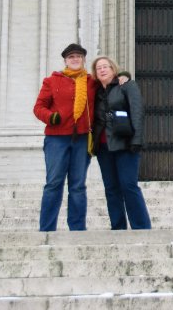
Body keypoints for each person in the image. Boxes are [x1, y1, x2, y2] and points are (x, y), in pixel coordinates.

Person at [33, 43, 97, 231]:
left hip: (82, 139)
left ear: (84, 60)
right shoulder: (51, 81)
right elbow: (38, 107)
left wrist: (123, 78)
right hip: (56, 139)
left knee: (77, 186)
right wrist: (50, 117)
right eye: (71, 57)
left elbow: (108, 83)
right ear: (65, 61)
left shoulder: (91, 82)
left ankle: (77, 230)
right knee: (54, 183)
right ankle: (47, 229)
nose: (75, 59)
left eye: (78, 56)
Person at [91, 57, 151, 230]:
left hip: (125, 144)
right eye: (98, 68)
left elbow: (137, 111)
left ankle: (141, 227)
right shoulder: (95, 91)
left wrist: (137, 140)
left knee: (128, 186)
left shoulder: (126, 85)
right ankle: (117, 228)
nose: (102, 70)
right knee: (111, 189)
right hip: (103, 147)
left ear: (113, 69)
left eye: (106, 67)